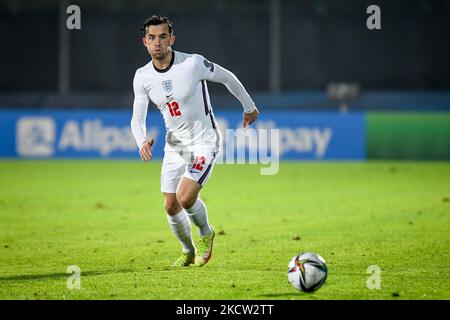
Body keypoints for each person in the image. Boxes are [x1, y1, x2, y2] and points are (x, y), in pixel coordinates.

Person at [131, 15, 259, 267]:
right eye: (152, 38)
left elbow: (227, 77)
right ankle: (187, 251)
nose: (157, 42)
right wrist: (141, 140)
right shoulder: (142, 77)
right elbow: (137, 116)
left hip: (204, 141)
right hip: (174, 145)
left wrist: (249, 106)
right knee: (170, 206)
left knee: (185, 197)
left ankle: (206, 233)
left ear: (172, 39)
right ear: (144, 42)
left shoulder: (192, 64)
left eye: (163, 37)